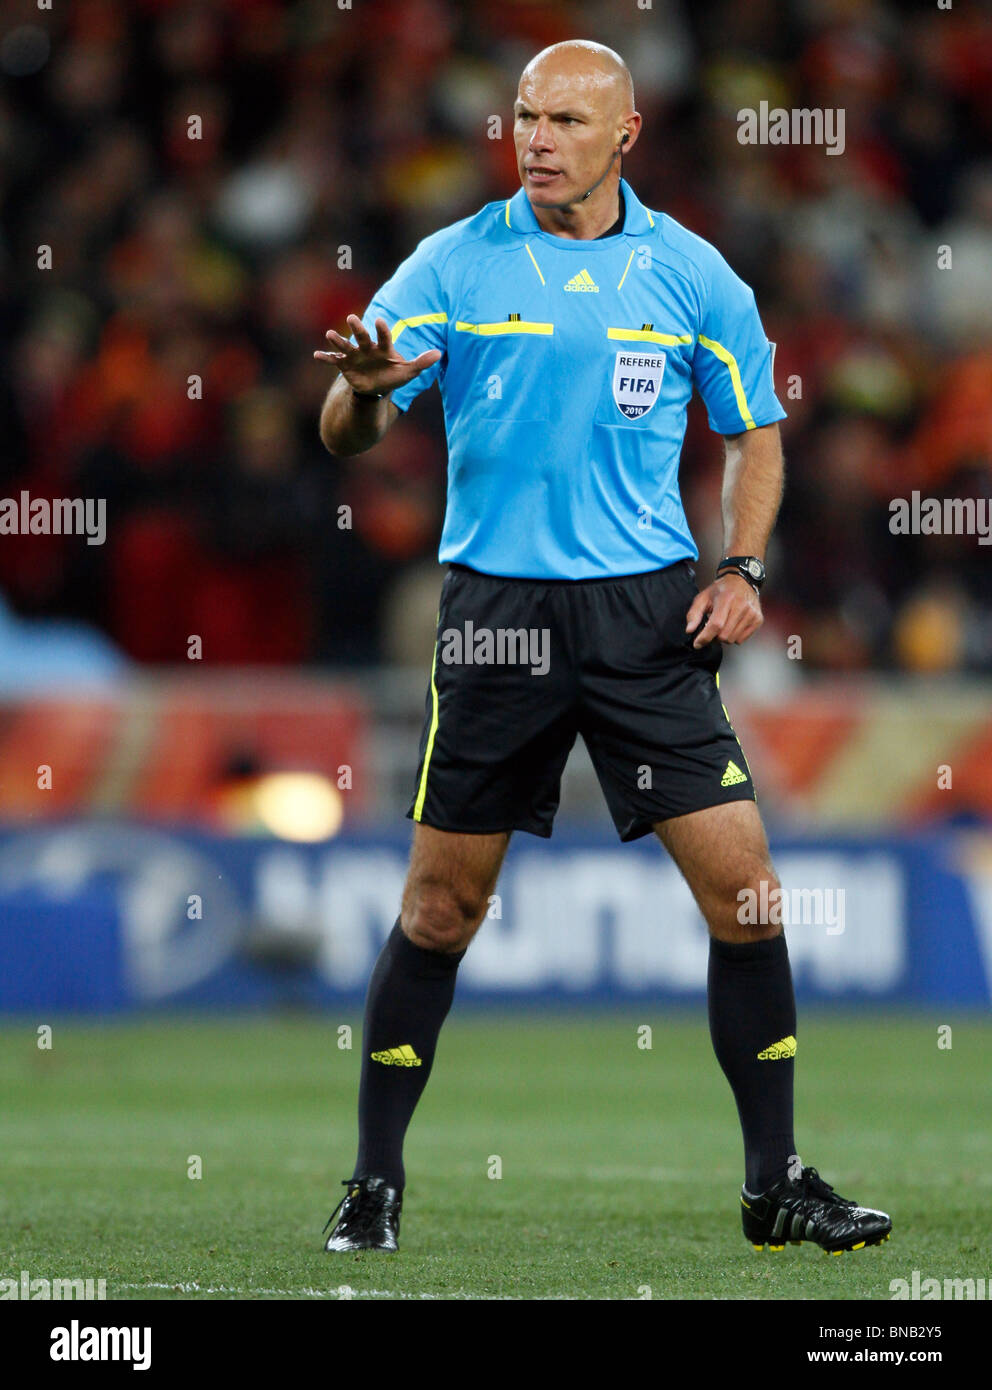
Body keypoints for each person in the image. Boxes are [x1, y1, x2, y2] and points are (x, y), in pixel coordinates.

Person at [315, 40, 892, 1258]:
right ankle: (372, 1183)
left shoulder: (689, 274)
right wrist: (364, 393)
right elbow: (344, 428)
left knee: (746, 895)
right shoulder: (454, 262)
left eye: (566, 120)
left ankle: (773, 1180)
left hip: (645, 620)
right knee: (438, 909)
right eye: (524, 116)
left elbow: (755, 435)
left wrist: (738, 570)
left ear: (624, 135)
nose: (536, 139)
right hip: (498, 617)